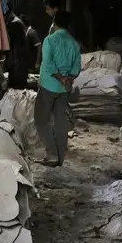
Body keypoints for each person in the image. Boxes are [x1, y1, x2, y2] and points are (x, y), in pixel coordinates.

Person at [35, 10, 80, 167]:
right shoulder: (74, 44)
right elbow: (76, 68)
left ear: (54, 22)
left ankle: (52, 154)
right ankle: (60, 158)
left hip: (48, 85)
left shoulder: (50, 40)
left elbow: (48, 64)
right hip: (64, 89)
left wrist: (60, 78)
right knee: (61, 122)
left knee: (41, 120)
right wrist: (68, 79)